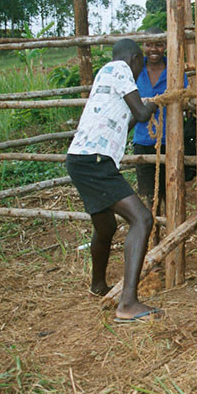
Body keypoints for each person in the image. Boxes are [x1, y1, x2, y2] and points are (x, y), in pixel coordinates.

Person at [66, 38, 161, 322]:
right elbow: (143, 113)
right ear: (134, 59)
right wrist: (154, 104)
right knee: (142, 218)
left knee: (105, 226)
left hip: (81, 160)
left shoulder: (105, 77)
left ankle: (98, 285)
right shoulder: (119, 68)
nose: (138, 73)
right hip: (96, 161)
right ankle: (128, 303)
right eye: (140, 66)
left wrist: (144, 109)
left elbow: (132, 119)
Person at [132, 27, 189, 220]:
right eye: (149, 44)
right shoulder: (136, 71)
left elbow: (185, 98)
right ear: (143, 46)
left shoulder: (175, 69)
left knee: (172, 192)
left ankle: (173, 233)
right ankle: (152, 238)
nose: (153, 49)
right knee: (150, 197)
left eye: (158, 44)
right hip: (143, 140)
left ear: (165, 46)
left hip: (172, 140)